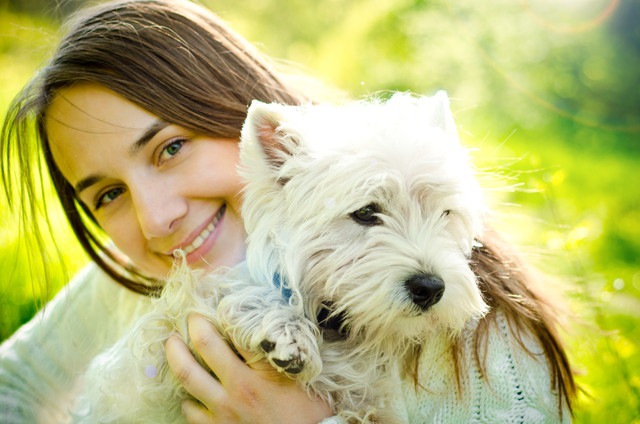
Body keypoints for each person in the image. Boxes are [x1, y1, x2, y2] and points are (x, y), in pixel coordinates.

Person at [0, 0, 576, 423]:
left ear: (252, 126)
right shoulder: (139, 282)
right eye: (107, 194)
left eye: (170, 148)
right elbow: (14, 384)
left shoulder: (481, 347)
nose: (155, 219)